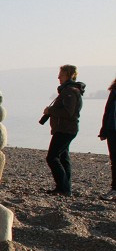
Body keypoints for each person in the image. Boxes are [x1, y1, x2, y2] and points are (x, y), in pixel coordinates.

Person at [43, 64, 85, 197]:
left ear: (69, 75)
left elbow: (69, 112)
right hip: (65, 129)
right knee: (63, 157)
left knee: (52, 157)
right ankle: (65, 188)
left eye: (61, 75)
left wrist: (50, 111)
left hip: (65, 129)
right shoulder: (69, 90)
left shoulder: (70, 91)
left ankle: (64, 188)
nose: (58, 77)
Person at [99, 77, 116, 200]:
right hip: (112, 129)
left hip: (111, 128)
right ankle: (114, 189)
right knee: (114, 160)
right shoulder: (114, 90)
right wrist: (104, 129)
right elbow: (108, 110)